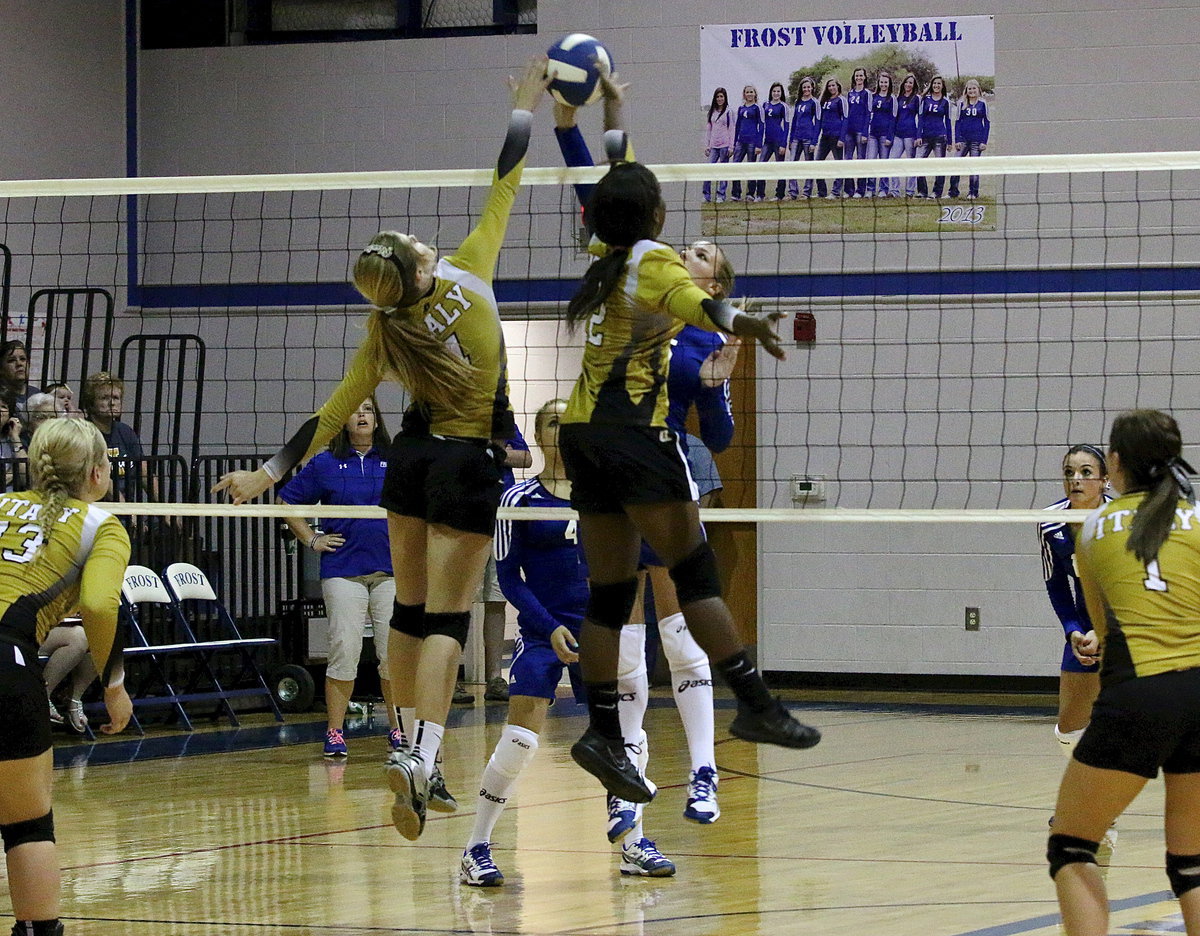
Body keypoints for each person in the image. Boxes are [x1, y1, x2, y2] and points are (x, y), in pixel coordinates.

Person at [214, 57, 549, 843]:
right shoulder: (471, 276)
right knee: (447, 621)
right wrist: (524, 103)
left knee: (407, 613)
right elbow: (508, 178)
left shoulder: (385, 331)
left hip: (412, 464)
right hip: (466, 463)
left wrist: (267, 474)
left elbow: (331, 414)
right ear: (422, 265)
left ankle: (403, 741)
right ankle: (422, 756)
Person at [557, 76, 821, 805]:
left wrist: (604, 108)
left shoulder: (605, 249)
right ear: (658, 215)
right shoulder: (657, 261)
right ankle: (756, 704)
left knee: (611, 593)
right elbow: (696, 301)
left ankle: (603, 731)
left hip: (581, 435)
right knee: (696, 574)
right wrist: (745, 323)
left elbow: (616, 178)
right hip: (636, 436)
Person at [459, 399, 676, 886]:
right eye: (555, 422)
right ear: (539, 436)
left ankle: (635, 842)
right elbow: (509, 578)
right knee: (519, 740)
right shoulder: (519, 499)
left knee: (628, 736)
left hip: (601, 633)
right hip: (543, 632)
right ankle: (476, 847)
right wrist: (547, 625)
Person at [1048, 409, 1200, 936]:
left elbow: (1104, 631)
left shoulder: (1091, 531)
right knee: (1191, 863)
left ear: (1114, 464)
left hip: (1142, 691)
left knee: (1070, 845)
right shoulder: (1199, 517)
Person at [0, 417, 133, 936]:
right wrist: (115, 685)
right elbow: (100, 604)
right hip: (7, 663)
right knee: (27, 826)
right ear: (99, 472)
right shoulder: (101, 525)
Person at [277, 397, 404, 758]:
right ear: (343, 420)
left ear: (377, 419)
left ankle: (397, 730)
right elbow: (286, 504)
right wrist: (312, 539)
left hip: (390, 572)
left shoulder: (396, 460)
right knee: (344, 651)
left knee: (392, 656)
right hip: (343, 572)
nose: (361, 414)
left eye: (368, 408)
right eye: (355, 409)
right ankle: (334, 731)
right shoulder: (326, 463)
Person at [1040, 445, 1111, 759]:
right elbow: (1056, 584)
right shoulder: (1050, 522)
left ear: (1105, 480)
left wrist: (1105, 630)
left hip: (1128, 625)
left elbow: (1132, 587)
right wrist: (1073, 630)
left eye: (1085, 472)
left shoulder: (1123, 521)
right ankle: (1083, 804)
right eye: (1069, 473)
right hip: (1084, 629)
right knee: (1068, 732)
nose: (1076, 480)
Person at [476, 426, 532, 705]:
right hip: (466, 514)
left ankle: (494, 677)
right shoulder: (457, 411)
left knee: (497, 600)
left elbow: (526, 458)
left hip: (501, 517)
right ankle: (452, 679)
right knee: (458, 601)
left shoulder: (503, 417)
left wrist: (496, 451)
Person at [81, 372, 148, 503]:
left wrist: (167, 511)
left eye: (116, 398)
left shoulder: (126, 432)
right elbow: (100, 479)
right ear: (91, 403)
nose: (112, 403)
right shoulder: (83, 433)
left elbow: (144, 473)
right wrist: (129, 515)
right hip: (96, 509)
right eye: (104, 398)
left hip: (127, 509)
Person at [40, 622, 95, 734]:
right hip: (18, 629)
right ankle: (41, 697)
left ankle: (74, 697)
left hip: (61, 626)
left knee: (101, 635)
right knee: (79, 637)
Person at [949, 78, 990, 200]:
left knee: (974, 166)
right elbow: (957, 123)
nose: (972, 91)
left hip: (977, 140)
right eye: (969, 88)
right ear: (966, 90)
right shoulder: (961, 103)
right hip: (963, 140)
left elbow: (987, 123)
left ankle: (973, 192)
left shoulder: (983, 103)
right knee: (955, 164)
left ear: (978, 90)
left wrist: (984, 141)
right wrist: (957, 140)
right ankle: (953, 192)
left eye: (974, 88)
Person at [915, 75, 953, 199]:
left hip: (940, 137)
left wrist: (950, 141)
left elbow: (948, 121)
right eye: (934, 83)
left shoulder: (946, 102)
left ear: (942, 86)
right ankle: (922, 191)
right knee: (919, 162)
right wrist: (918, 135)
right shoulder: (925, 100)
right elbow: (920, 118)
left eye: (939, 84)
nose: (936, 86)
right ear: (931, 85)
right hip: (925, 137)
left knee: (939, 165)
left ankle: (936, 192)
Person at [888, 73, 922, 197]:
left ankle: (910, 191)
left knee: (910, 163)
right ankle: (894, 191)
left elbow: (921, 118)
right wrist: (891, 135)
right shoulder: (898, 98)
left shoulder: (916, 98)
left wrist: (918, 136)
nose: (908, 84)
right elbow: (894, 118)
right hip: (898, 134)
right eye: (907, 82)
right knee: (892, 161)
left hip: (910, 134)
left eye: (911, 83)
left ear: (914, 86)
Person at [786, 76, 819, 200]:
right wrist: (790, 139)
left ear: (812, 88)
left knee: (808, 165)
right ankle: (792, 192)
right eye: (804, 87)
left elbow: (818, 122)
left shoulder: (814, 103)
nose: (806, 89)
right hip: (796, 138)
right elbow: (794, 122)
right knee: (792, 165)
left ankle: (806, 192)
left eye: (808, 87)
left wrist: (814, 142)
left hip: (808, 138)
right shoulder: (798, 102)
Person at [755, 82, 789, 201]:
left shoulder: (783, 106)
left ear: (781, 93)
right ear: (771, 92)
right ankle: (760, 194)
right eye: (774, 91)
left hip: (778, 141)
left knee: (780, 168)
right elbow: (762, 124)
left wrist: (783, 144)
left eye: (778, 91)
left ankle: (779, 194)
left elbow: (786, 126)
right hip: (767, 141)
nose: (776, 93)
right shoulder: (765, 105)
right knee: (761, 166)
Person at [814, 78, 847, 200]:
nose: (831, 88)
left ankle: (836, 191)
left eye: (833, 85)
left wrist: (842, 138)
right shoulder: (825, 101)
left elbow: (845, 119)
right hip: (825, 136)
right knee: (818, 163)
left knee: (838, 164)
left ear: (838, 86)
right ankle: (821, 191)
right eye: (829, 86)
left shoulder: (841, 100)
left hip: (836, 136)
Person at [865, 72, 896, 196]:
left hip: (885, 135)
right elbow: (868, 114)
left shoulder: (892, 98)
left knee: (884, 162)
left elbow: (893, 118)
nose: (883, 84)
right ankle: (870, 189)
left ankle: (883, 189)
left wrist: (890, 137)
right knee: (871, 161)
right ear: (878, 83)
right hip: (873, 134)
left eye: (886, 82)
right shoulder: (873, 96)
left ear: (889, 84)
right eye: (881, 82)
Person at [729, 85, 762, 203]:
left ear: (755, 94)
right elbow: (737, 126)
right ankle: (736, 193)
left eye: (751, 92)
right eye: (747, 92)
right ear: (744, 94)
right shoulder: (741, 108)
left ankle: (750, 194)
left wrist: (759, 145)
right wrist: (734, 143)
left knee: (751, 167)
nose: (749, 94)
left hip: (752, 142)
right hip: (740, 142)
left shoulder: (757, 108)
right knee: (735, 166)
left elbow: (761, 126)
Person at [842, 67, 871, 197]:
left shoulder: (867, 93)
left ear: (865, 77)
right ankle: (849, 190)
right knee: (847, 160)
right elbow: (847, 114)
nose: (859, 78)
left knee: (860, 160)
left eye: (861, 75)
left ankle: (860, 190)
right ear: (854, 78)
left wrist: (865, 133)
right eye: (857, 75)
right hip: (849, 131)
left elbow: (868, 113)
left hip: (861, 131)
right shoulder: (850, 93)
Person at [703, 87, 733, 204]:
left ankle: (721, 195)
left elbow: (731, 129)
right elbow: (709, 130)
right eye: (717, 97)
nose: (719, 99)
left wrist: (731, 147)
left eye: (721, 96)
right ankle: (706, 195)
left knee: (723, 171)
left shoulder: (729, 112)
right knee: (708, 170)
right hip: (713, 146)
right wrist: (707, 145)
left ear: (725, 98)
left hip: (724, 145)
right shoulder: (712, 112)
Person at [0, 341, 37, 418]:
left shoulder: (38, 395)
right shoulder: (1, 396)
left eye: (23, 359)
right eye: (12, 360)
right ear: (1, 368)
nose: (19, 364)